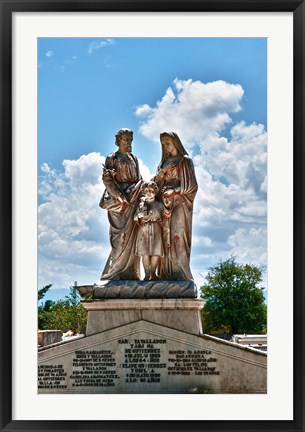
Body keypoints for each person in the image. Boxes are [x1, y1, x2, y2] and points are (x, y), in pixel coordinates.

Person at [153, 132, 198, 281]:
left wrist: (175, 190)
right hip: (165, 203)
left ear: (175, 142)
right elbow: (155, 185)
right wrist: (160, 177)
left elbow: (192, 186)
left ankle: (181, 272)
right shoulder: (162, 164)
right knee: (165, 236)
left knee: (178, 234)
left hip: (180, 202)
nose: (166, 146)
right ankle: (166, 273)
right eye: (163, 144)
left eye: (168, 143)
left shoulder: (185, 161)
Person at [99, 128, 143, 280]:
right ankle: (113, 272)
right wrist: (119, 197)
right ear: (118, 140)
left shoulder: (134, 158)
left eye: (131, 140)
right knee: (120, 239)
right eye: (126, 140)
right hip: (119, 203)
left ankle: (130, 273)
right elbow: (107, 180)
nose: (129, 143)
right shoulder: (113, 158)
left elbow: (139, 179)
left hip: (133, 200)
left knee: (133, 238)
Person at [134, 181, 171, 280]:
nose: (149, 193)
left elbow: (167, 215)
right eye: (146, 191)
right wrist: (139, 216)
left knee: (156, 253)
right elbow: (135, 217)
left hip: (156, 229)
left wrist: (167, 206)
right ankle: (147, 274)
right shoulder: (141, 205)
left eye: (151, 191)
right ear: (143, 192)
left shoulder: (159, 205)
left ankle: (153, 274)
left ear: (155, 192)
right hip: (143, 229)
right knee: (144, 253)